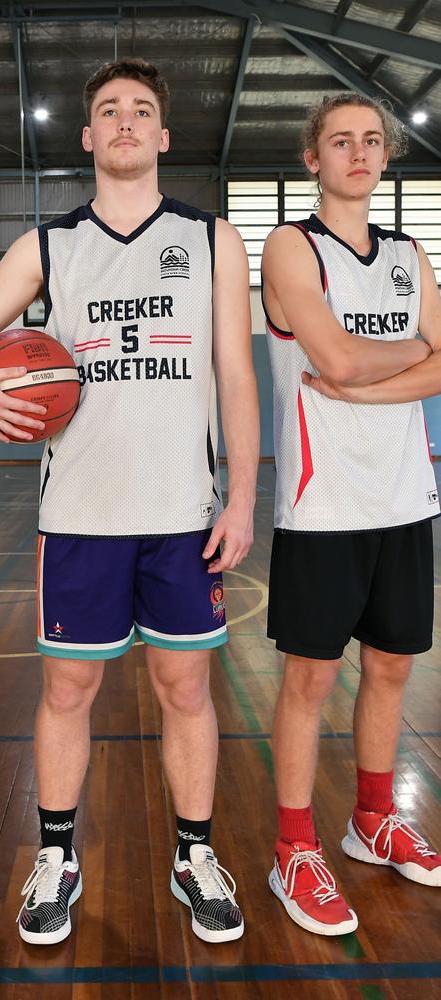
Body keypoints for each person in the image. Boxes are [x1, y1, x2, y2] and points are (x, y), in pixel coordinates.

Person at [0, 58, 258, 945]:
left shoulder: (212, 238)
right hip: (78, 515)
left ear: (162, 135)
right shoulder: (46, 246)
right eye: (108, 110)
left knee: (185, 688)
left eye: (140, 110)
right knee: (68, 689)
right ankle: (56, 856)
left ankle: (194, 856)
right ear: (86, 136)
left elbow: (237, 373)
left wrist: (243, 497)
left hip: (185, 511)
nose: (123, 121)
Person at [262, 93, 441, 937]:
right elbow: (329, 355)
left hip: (406, 499)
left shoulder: (409, 254)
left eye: (373, 141)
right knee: (310, 681)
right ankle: (293, 846)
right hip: (321, 505)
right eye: (342, 141)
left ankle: (373, 817)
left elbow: (403, 367)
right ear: (314, 158)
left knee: (394, 669)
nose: (360, 153)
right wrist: (413, 352)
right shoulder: (291, 247)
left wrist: (372, 373)